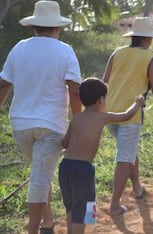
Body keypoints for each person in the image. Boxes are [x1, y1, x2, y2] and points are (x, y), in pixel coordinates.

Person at [0, 1, 82, 233]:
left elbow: (4, 84)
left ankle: (48, 223)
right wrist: (77, 123)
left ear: (34, 26)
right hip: (51, 126)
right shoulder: (65, 50)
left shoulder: (19, 47)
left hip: (20, 126)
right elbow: (75, 89)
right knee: (39, 180)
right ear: (58, 28)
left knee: (40, 174)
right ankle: (34, 230)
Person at [102, 17, 153, 216]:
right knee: (124, 158)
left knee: (129, 151)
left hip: (110, 113)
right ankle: (114, 204)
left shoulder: (117, 53)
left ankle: (137, 188)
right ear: (147, 39)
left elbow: (104, 83)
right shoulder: (151, 59)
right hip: (130, 116)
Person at [58, 78, 145, 234]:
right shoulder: (102, 117)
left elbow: (64, 143)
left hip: (65, 167)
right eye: (106, 98)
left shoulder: (76, 118)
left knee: (72, 208)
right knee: (85, 208)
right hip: (83, 170)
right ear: (100, 100)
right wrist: (138, 103)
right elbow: (126, 115)